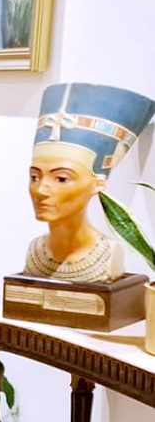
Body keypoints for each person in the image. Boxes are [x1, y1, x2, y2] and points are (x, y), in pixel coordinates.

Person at [23, 82, 155, 282]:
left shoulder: (109, 255)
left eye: (61, 178)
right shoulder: (35, 250)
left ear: (97, 184)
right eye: (35, 177)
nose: (41, 190)